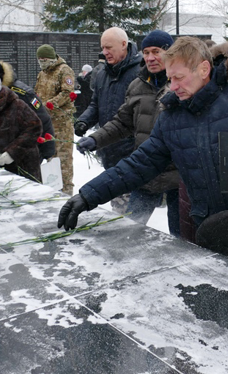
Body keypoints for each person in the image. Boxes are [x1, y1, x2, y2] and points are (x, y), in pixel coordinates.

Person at [58, 37, 228, 280]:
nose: (172, 87)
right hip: (215, 236)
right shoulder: (172, 117)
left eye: (179, 78)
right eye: (169, 79)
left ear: (204, 69)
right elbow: (140, 163)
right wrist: (89, 195)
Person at [76, 30, 180, 235]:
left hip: (178, 178)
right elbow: (122, 123)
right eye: (146, 52)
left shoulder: (181, 85)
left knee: (182, 238)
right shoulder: (138, 85)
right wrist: (95, 139)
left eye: (156, 51)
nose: (150, 58)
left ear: (170, 53)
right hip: (147, 172)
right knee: (129, 231)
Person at [75, 27, 143, 212]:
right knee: (118, 206)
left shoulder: (141, 72)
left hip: (131, 152)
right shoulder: (102, 74)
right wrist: (84, 121)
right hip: (110, 150)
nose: (104, 52)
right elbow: (95, 105)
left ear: (124, 45)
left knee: (129, 216)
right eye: (103, 48)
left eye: (109, 47)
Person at [35, 44, 76, 195]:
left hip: (61, 125)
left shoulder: (64, 70)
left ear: (51, 58)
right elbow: (37, 93)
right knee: (50, 161)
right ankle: (53, 190)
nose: (42, 62)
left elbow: (67, 92)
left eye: (44, 59)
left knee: (63, 162)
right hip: (46, 124)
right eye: (40, 60)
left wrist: (49, 106)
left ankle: (66, 193)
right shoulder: (42, 74)